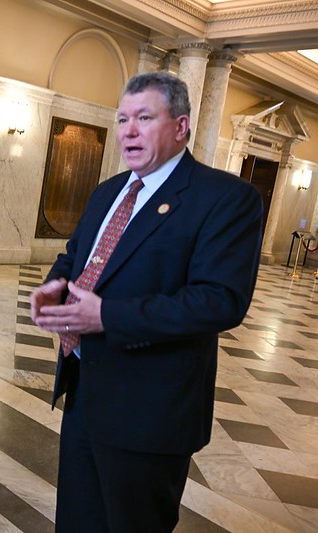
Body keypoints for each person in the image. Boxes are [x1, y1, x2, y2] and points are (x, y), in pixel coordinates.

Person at [30, 71, 263, 532]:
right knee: (78, 521)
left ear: (181, 126)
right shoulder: (108, 191)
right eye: (121, 119)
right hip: (84, 395)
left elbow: (220, 301)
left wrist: (106, 316)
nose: (128, 131)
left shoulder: (226, 199)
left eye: (143, 117)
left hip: (149, 413)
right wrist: (55, 285)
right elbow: (76, 256)